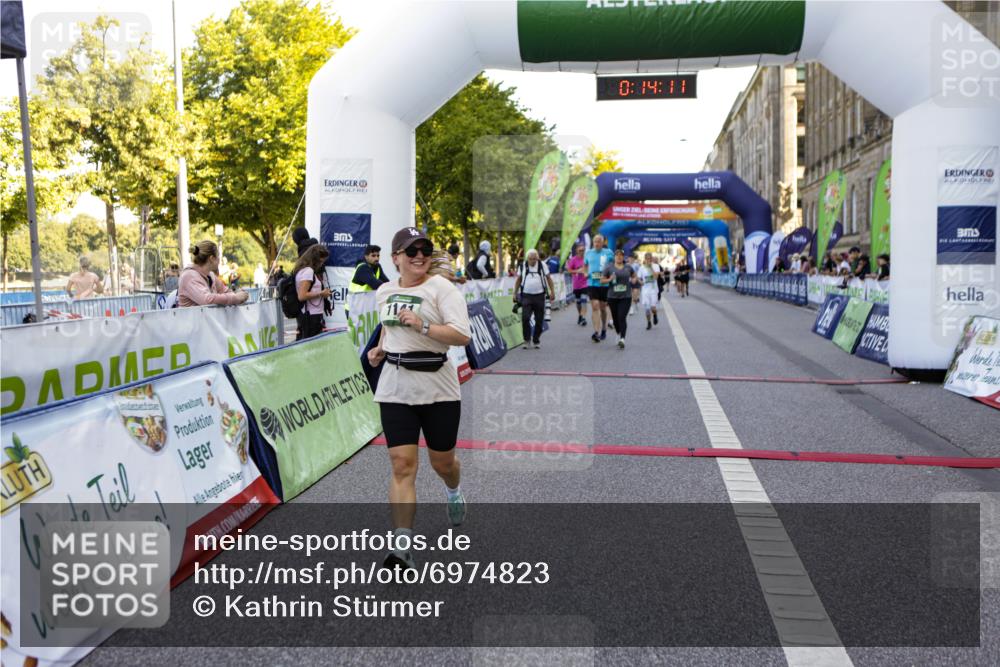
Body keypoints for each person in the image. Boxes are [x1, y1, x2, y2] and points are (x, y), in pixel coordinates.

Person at [366, 227, 472, 571]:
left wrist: (423, 326)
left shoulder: (442, 288)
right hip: (396, 386)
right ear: (396, 258)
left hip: (438, 387)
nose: (419, 255)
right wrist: (381, 348)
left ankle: (453, 491)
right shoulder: (384, 291)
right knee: (402, 465)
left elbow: (462, 336)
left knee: (443, 464)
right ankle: (402, 547)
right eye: (410, 251)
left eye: (425, 249)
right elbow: (388, 325)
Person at [177, 241, 250, 307]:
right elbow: (207, 300)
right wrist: (235, 298)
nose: (219, 260)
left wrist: (238, 294)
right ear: (212, 259)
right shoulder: (189, 276)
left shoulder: (210, 275)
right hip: (191, 321)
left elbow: (226, 291)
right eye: (218, 256)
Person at [513, 249, 555, 349]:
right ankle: (527, 340)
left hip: (539, 296)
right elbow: (518, 280)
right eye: (530, 259)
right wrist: (515, 293)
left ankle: (536, 339)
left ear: (537, 258)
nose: (532, 261)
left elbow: (549, 278)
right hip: (526, 296)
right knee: (525, 318)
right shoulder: (522, 266)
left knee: (539, 320)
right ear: (527, 258)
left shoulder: (542, 265)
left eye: (534, 259)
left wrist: (552, 291)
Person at [293, 244, 332, 340]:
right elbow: (302, 295)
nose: (322, 264)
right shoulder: (308, 271)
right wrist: (321, 293)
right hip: (311, 316)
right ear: (315, 260)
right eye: (321, 261)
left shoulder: (303, 270)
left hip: (310, 314)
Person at [600, 249, 637, 349]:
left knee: (621, 317)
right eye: (617, 255)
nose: (619, 257)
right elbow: (602, 280)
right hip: (612, 297)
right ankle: (618, 333)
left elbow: (634, 276)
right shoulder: (609, 267)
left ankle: (622, 339)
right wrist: (609, 279)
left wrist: (633, 280)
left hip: (626, 296)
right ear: (614, 257)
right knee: (615, 319)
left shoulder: (628, 267)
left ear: (623, 257)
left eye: (621, 255)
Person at [584, 235, 614, 343]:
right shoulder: (588, 253)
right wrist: (585, 273)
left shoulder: (609, 253)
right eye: (595, 241)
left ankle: (604, 328)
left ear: (602, 243)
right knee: (595, 306)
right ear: (593, 242)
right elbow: (585, 266)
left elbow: (613, 265)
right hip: (592, 283)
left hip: (604, 285)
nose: (596, 243)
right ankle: (596, 332)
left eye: (599, 242)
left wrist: (610, 276)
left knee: (603, 308)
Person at [347, 244, 389, 317]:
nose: (376, 258)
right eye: (373, 256)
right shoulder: (362, 268)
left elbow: (386, 282)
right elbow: (376, 284)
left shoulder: (377, 267)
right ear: (366, 256)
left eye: (378, 255)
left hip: (366, 308)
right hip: (354, 308)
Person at [565, 244, 589, 326]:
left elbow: (590, 269)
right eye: (580, 250)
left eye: (583, 250)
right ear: (576, 251)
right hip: (576, 284)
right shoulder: (573, 260)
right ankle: (580, 315)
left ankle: (583, 317)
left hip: (585, 284)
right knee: (578, 302)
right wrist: (577, 271)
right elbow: (569, 270)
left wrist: (587, 272)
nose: (582, 252)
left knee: (584, 300)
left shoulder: (587, 259)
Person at [637, 253, 661, 330]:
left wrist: (651, 268)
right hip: (645, 291)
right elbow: (638, 278)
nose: (648, 260)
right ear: (645, 259)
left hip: (653, 290)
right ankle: (649, 322)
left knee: (653, 307)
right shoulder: (641, 268)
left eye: (650, 258)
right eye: (647, 259)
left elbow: (656, 277)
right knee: (647, 308)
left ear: (652, 259)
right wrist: (641, 282)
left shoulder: (656, 266)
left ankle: (655, 314)